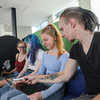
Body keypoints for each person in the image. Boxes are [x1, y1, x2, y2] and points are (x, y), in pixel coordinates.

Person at [19, 7, 100, 100]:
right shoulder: (76, 48)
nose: (62, 34)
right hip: (89, 95)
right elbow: (64, 75)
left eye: (62, 29)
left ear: (72, 23)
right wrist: (37, 78)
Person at [1, 24, 69, 100]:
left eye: (46, 40)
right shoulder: (45, 54)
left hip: (55, 90)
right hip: (41, 84)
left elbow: (61, 81)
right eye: (42, 40)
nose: (43, 43)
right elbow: (40, 73)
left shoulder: (64, 56)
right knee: (5, 97)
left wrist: (42, 95)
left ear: (55, 37)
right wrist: (24, 80)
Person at [0, 34, 44, 99]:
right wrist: (17, 78)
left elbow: (37, 71)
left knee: (7, 92)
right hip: (26, 74)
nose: (27, 46)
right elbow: (24, 69)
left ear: (32, 42)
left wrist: (24, 78)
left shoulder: (41, 53)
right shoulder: (30, 53)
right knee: (4, 89)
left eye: (27, 44)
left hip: (32, 75)